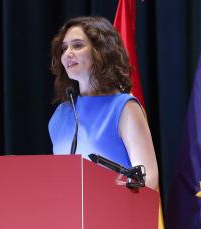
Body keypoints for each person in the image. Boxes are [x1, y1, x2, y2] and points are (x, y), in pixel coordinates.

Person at [48, 16, 159, 190]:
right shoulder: (61, 114)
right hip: (68, 216)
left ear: (101, 51)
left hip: (118, 214)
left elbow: (149, 180)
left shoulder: (124, 108)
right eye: (64, 48)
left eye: (77, 45)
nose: (67, 53)